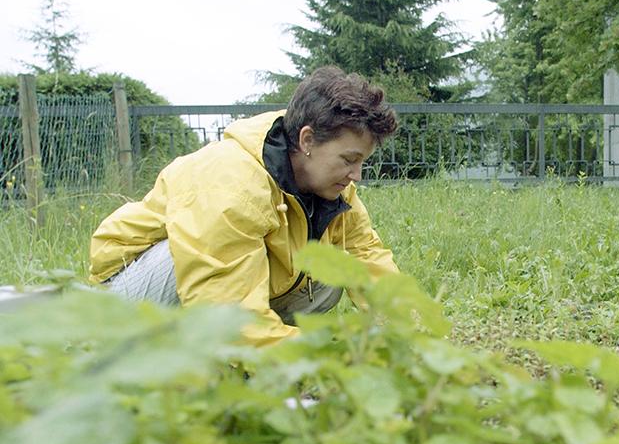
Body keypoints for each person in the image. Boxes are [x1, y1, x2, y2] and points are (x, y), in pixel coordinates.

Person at [89, 67, 399, 346]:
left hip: (210, 291)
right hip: (128, 291)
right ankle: (152, 356)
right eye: (349, 159)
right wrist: (320, 361)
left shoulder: (334, 188)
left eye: (361, 161)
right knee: (195, 265)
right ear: (307, 140)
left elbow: (367, 256)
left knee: (333, 266)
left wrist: (410, 338)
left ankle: (249, 354)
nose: (357, 174)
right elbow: (223, 304)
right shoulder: (232, 182)